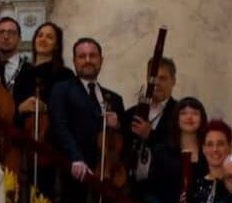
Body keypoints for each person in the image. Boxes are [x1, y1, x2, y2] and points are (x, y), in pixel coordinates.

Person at [48, 37, 126, 185]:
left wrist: (117, 125)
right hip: (73, 174)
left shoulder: (115, 99)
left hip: (108, 178)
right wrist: (76, 158)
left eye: (93, 55)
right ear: (74, 61)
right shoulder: (62, 89)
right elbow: (60, 127)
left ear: (101, 60)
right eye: (82, 56)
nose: (88, 60)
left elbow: (122, 140)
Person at [126, 56, 178, 190]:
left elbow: (176, 155)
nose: (156, 83)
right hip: (131, 191)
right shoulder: (132, 113)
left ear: (173, 81)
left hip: (163, 192)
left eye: (163, 78)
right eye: (153, 77)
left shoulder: (180, 115)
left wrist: (151, 135)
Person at [0, 15, 28, 89]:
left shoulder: (30, 70)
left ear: (19, 38)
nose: (6, 37)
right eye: (1, 32)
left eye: (11, 32)